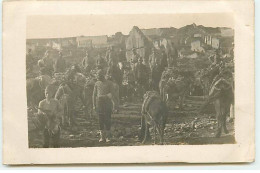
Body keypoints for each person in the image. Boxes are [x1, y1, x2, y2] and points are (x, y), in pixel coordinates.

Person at [93, 70, 114, 142]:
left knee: (107, 118)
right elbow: (94, 95)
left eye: (100, 75)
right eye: (97, 75)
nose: (98, 77)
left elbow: (112, 94)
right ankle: (102, 137)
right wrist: (94, 105)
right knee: (100, 119)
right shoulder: (97, 83)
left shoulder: (109, 83)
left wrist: (104, 96)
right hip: (99, 103)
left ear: (103, 75)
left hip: (107, 103)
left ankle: (108, 137)